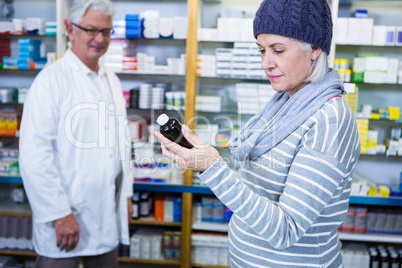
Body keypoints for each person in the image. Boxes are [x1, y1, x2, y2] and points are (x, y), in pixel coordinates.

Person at [155, 0, 361, 267]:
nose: (266, 63)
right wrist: (203, 158)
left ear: (314, 49)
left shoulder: (330, 119)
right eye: (262, 50)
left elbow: (285, 230)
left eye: (278, 50)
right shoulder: (286, 104)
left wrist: (213, 169)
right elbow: (258, 188)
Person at [19, 0, 133, 267]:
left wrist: (126, 194)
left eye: (106, 32)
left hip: (106, 214)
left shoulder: (111, 80)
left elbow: (120, 145)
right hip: (65, 221)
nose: (99, 39)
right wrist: (59, 214)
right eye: (91, 30)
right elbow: (34, 157)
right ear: (69, 28)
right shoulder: (51, 80)